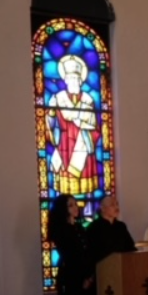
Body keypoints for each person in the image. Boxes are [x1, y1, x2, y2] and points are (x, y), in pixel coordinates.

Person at [49, 195, 98, 295]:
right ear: (63, 209)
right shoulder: (60, 230)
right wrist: (83, 277)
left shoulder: (80, 228)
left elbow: (87, 253)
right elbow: (71, 255)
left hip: (86, 276)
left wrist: (90, 276)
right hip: (70, 276)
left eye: (75, 204)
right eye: (71, 205)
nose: (76, 207)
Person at [46, 55, 100, 196]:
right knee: (65, 186)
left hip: (83, 143)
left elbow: (95, 126)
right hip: (65, 145)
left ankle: (88, 211)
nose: (73, 81)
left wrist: (81, 123)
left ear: (81, 80)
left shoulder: (88, 100)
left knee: (86, 187)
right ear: (65, 80)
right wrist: (51, 113)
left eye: (76, 78)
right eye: (70, 78)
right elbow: (49, 125)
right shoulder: (57, 98)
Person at [87, 195, 137, 265]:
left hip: (122, 266)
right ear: (103, 208)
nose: (116, 207)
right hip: (103, 268)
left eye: (117, 204)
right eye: (112, 205)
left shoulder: (121, 226)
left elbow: (130, 247)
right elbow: (92, 253)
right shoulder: (94, 228)